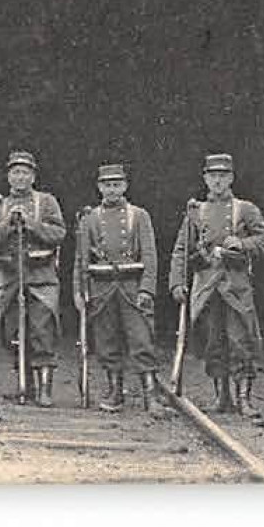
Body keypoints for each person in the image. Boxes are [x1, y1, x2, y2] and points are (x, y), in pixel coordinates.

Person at [169, 153, 264, 424]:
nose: (217, 181)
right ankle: (222, 397)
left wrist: (242, 244)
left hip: (236, 287)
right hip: (206, 287)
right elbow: (182, 250)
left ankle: (245, 399)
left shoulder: (245, 209)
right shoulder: (196, 212)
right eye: (212, 176)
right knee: (213, 342)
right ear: (205, 179)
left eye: (223, 176)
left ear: (231, 178)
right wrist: (177, 282)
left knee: (241, 341)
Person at [75, 163, 163, 415]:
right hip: (101, 287)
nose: (112, 190)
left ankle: (151, 394)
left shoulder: (139, 215)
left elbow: (149, 255)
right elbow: (81, 260)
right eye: (107, 185)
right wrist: (80, 291)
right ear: (99, 187)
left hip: (131, 285)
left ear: (125, 186)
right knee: (106, 341)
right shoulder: (89, 218)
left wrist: (147, 289)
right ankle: (115, 391)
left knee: (141, 338)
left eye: (116, 184)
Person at [0, 150, 66, 406]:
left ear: (33, 176)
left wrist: (31, 224)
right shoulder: (0, 205)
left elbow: (59, 233)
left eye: (25, 172)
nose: (20, 177)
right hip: (10, 277)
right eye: (15, 172)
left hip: (41, 276)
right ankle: (25, 385)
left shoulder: (47, 201)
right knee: (12, 331)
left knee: (42, 329)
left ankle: (44, 390)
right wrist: (8, 222)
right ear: (8, 176)